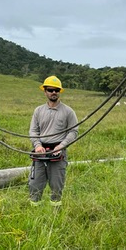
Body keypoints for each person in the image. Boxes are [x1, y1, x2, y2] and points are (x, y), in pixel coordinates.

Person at [29, 76, 78, 206]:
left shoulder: (68, 112)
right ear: (45, 91)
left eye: (56, 90)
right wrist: (38, 145)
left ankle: (55, 213)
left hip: (58, 153)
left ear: (59, 92)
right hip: (40, 153)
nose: (53, 92)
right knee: (35, 185)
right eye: (50, 90)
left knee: (57, 186)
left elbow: (73, 132)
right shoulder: (38, 111)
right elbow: (33, 131)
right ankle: (34, 211)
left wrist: (61, 146)